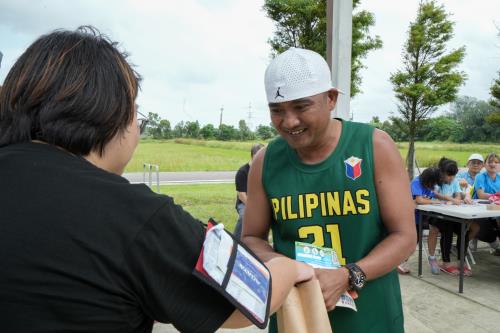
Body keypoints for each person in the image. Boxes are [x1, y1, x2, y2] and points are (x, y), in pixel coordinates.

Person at [0, 27, 314, 332]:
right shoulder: (134, 215)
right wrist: (288, 267)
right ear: (110, 115)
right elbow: (246, 302)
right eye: (135, 113)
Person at [242, 47, 416, 333]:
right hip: (296, 317)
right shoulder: (265, 161)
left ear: (331, 99)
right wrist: (291, 270)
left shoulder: (373, 145)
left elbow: (405, 236)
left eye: (301, 107)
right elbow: (250, 237)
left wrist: (350, 275)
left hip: (370, 318)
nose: (288, 122)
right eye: (277, 110)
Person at [234, 143, 265, 239]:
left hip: (261, 202)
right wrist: (254, 208)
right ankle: (235, 240)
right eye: (259, 157)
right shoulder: (242, 172)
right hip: (245, 203)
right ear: (253, 156)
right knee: (245, 217)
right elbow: (242, 195)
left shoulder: (265, 170)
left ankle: (264, 242)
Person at [474, 153, 500, 255]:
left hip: (496, 208)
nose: (493, 164)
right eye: (490, 162)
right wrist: (496, 195)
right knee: (487, 229)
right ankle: (496, 246)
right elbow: (481, 195)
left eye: (496, 162)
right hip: (481, 210)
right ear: (485, 164)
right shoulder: (480, 177)